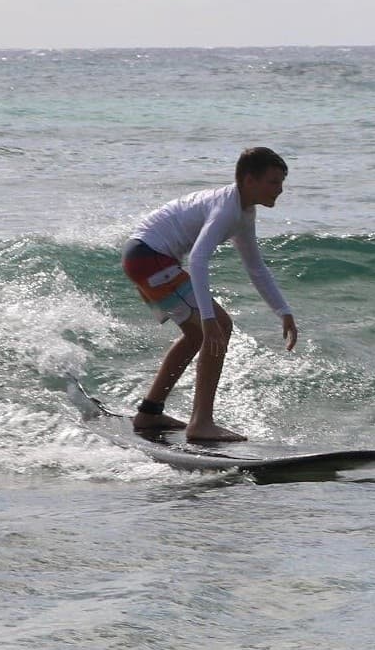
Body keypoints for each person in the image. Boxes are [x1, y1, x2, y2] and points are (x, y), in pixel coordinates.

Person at [120, 147, 299, 441]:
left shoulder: (242, 210)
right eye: (273, 182)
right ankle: (201, 423)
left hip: (143, 256)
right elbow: (199, 259)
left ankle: (150, 411)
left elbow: (255, 267)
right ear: (249, 180)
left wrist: (284, 312)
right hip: (150, 257)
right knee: (219, 326)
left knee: (196, 336)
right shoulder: (227, 209)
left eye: (281, 182)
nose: (280, 190)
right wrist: (208, 318)